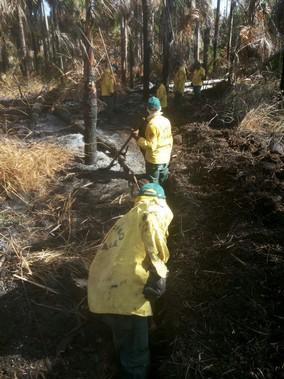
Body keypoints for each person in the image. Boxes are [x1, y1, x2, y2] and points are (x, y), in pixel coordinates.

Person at [88, 182, 174, 379]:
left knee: (125, 342)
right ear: (161, 199)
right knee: (135, 355)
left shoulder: (128, 219)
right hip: (125, 296)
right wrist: (159, 271)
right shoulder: (152, 209)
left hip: (105, 291)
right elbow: (151, 223)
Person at [132, 96, 173, 185]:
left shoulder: (152, 125)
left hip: (154, 160)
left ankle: (155, 196)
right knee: (163, 182)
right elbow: (170, 139)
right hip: (166, 157)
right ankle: (165, 196)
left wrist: (138, 138)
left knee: (153, 184)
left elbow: (150, 146)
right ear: (160, 108)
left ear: (148, 109)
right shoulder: (166, 121)